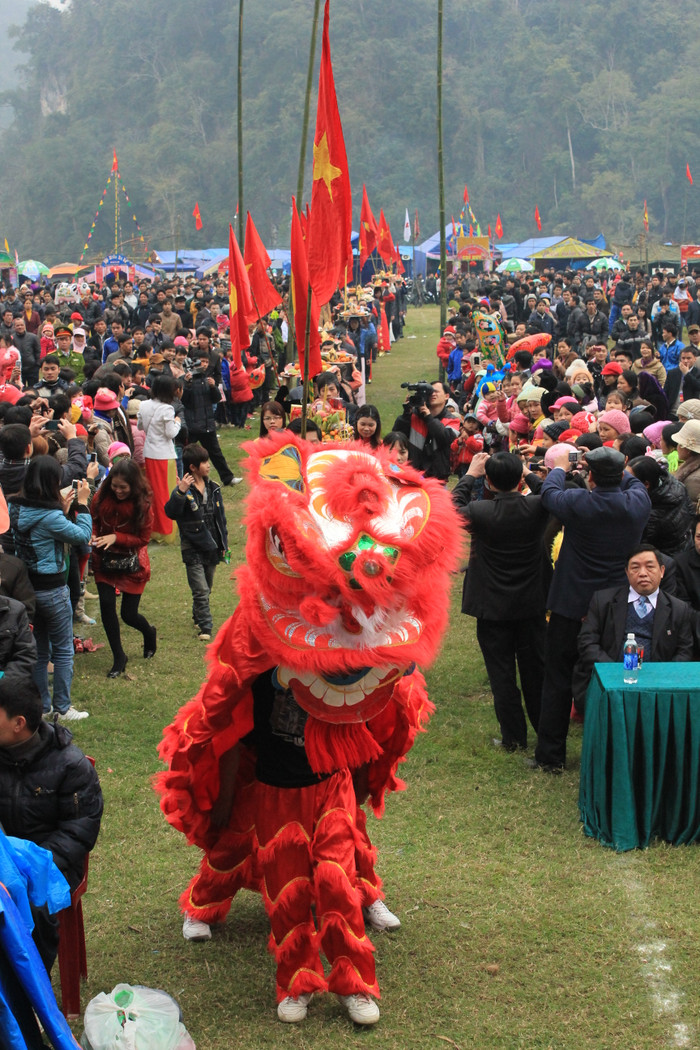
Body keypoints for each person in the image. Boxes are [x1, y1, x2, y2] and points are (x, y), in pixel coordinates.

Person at [532, 446, 651, 772]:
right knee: (620, 678)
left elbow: (549, 493)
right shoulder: (637, 504)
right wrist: (612, 464)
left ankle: (550, 756)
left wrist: (559, 466)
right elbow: (632, 482)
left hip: (571, 602)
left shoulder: (579, 503)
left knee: (557, 678)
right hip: (617, 607)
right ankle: (617, 752)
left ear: (591, 476)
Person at [0, 677, 103, 976]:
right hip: (4, 859)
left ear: (18, 723)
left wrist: (27, 865)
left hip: (51, 865)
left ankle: (30, 992)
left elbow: (78, 832)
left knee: (31, 907)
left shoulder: (70, 765)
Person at [453, 451, 550, 751]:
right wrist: (530, 474)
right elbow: (558, 494)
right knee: (536, 671)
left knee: (502, 674)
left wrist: (470, 474)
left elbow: (449, 509)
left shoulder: (480, 511)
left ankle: (514, 737)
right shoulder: (536, 506)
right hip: (531, 602)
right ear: (520, 479)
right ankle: (544, 731)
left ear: (489, 482)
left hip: (492, 605)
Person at [8, 457, 93, 720]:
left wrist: (63, 510)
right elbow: (81, 536)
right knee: (64, 649)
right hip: (53, 590)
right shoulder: (50, 516)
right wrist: (83, 506)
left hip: (27, 590)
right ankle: (63, 708)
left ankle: (42, 706)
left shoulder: (14, 507)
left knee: (39, 648)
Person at [573, 545, 694, 704]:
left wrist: (659, 678)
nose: (643, 573)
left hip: (659, 686)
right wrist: (615, 672)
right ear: (626, 572)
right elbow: (587, 642)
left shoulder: (679, 609)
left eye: (650, 567)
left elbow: (684, 651)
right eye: (635, 567)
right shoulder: (603, 600)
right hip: (611, 682)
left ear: (662, 571)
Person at [90, 459, 157, 678]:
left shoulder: (143, 505)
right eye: (115, 486)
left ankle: (149, 632)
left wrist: (116, 537)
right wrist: (92, 534)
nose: (118, 491)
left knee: (129, 615)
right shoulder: (102, 497)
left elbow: (143, 538)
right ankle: (119, 656)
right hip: (104, 560)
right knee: (107, 605)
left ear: (133, 486)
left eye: (123, 488)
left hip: (132, 562)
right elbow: (92, 519)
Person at [164, 444, 228, 642]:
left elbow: (221, 519)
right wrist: (180, 492)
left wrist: (225, 547)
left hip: (213, 545)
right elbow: (170, 512)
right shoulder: (183, 489)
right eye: (204, 462)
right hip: (192, 546)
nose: (208, 466)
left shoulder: (213, 487)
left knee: (206, 587)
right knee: (200, 589)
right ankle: (205, 627)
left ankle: (197, 614)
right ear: (192, 467)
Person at [181, 347, 240, 486]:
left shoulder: (208, 380)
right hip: (193, 424)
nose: (205, 364)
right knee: (189, 455)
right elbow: (185, 401)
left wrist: (213, 387)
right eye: (202, 361)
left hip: (208, 423)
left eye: (207, 362)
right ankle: (186, 480)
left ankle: (228, 478)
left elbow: (216, 399)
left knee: (216, 453)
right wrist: (187, 385)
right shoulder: (186, 379)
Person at [137, 374, 181, 543]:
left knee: (153, 493)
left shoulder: (144, 404)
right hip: (164, 454)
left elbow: (141, 426)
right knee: (166, 493)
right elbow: (170, 433)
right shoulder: (167, 409)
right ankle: (166, 529)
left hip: (149, 453)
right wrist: (177, 421)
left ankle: (154, 527)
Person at [392, 381, 458, 480]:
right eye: (430, 392)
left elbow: (445, 438)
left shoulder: (452, 420)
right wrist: (406, 414)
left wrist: (428, 417)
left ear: (446, 396)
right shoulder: (415, 415)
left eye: (436, 391)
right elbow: (396, 435)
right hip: (412, 474)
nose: (432, 394)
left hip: (437, 478)